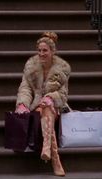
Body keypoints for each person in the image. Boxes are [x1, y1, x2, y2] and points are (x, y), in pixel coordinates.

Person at [15, 32, 71, 176]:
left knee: (47, 107)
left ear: (53, 52)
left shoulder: (62, 69)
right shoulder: (30, 67)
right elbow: (25, 89)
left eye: (45, 50)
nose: (41, 53)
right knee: (43, 109)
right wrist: (22, 104)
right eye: (39, 50)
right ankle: (55, 160)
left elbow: (63, 94)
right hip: (36, 106)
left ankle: (48, 150)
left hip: (56, 106)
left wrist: (51, 98)